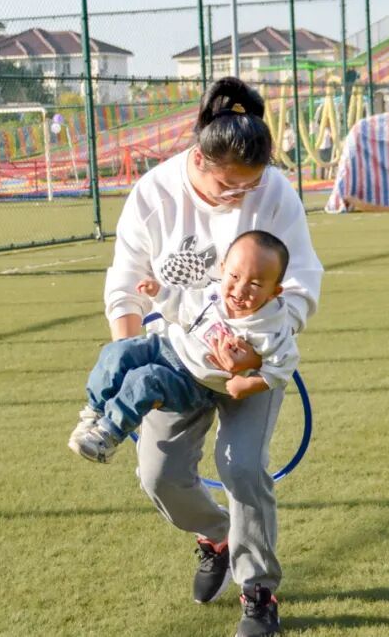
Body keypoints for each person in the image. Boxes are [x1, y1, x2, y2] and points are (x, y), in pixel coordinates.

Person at [88, 76, 323, 637]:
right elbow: (126, 287)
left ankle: (258, 592)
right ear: (199, 158)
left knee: (242, 467)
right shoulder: (155, 193)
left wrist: (253, 351)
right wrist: (132, 360)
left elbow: (302, 282)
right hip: (180, 359)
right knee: (159, 476)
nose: (240, 196)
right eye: (227, 185)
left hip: (250, 365)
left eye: (250, 185)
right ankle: (219, 536)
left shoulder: (275, 191)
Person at [70, 230, 298, 464]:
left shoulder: (271, 327)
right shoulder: (213, 294)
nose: (240, 290)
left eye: (255, 284)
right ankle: (94, 411)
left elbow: (284, 365)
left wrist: (249, 384)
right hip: (167, 348)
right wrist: (159, 293)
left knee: (145, 380)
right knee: (119, 351)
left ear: (274, 292)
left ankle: (107, 436)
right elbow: (183, 304)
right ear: (222, 269)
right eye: (234, 276)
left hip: (194, 383)